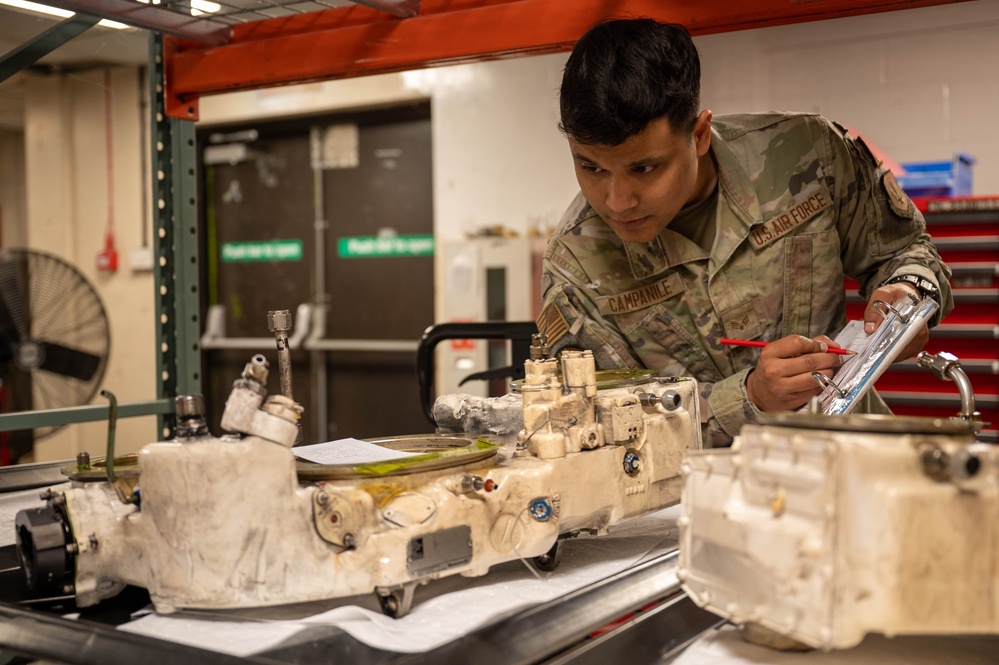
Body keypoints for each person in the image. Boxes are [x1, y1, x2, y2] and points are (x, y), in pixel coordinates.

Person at [537, 18, 953, 448]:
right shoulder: (576, 266)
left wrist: (909, 291)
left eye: (644, 168)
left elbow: (904, 248)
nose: (617, 200)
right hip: (698, 501)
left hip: (849, 463)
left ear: (698, 135)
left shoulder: (807, 155)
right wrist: (748, 398)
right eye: (591, 167)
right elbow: (597, 433)